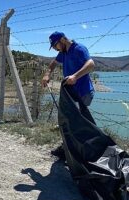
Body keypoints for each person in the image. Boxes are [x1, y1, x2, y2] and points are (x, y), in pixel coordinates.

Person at [41, 31, 95, 159]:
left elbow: (91, 64)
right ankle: (69, 149)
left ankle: (80, 151)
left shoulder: (79, 49)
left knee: (77, 123)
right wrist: (47, 74)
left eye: (55, 45)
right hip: (71, 93)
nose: (55, 48)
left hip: (83, 92)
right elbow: (54, 63)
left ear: (63, 40)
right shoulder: (63, 52)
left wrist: (75, 76)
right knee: (70, 121)